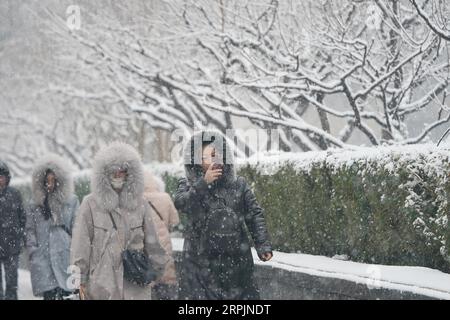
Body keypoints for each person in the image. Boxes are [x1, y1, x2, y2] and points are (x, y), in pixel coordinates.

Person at [174, 130, 273, 300]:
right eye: (210, 156)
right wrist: (203, 183)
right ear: (197, 161)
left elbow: (254, 214)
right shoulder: (188, 184)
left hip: (236, 261)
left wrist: (262, 245)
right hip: (200, 263)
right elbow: (182, 204)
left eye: (219, 154)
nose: (216, 159)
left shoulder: (238, 184)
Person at [70, 142, 168, 300]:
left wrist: (156, 272)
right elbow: (80, 246)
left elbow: (153, 242)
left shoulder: (140, 203)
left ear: (129, 173)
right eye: (113, 171)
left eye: (121, 171)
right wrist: (78, 282)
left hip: (136, 283)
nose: (117, 175)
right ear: (104, 173)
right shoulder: (90, 204)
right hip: (102, 284)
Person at [26, 155, 79, 300]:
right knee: (49, 294)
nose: (50, 184)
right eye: (47, 180)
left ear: (59, 181)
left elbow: (77, 228)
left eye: (53, 180)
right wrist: (34, 252)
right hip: (43, 257)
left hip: (65, 256)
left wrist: (75, 251)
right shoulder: (34, 204)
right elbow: (30, 230)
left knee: (68, 294)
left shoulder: (71, 201)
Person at [143, 170, 180, 300]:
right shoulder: (165, 197)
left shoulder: (137, 199)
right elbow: (175, 220)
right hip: (164, 243)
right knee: (167, 277)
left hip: (145, 243)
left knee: (148, 280)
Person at [0, 161, 26, 300]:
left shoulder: (14, 194)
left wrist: (20, 236)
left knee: (11, 281)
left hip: (11, 245)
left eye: (2, 176)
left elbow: (22, 217)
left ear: (7, 177)